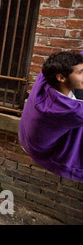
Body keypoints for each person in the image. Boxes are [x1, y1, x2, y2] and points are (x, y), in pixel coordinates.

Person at [18, 51, 83, 181]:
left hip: (25, 135)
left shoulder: (46, 75)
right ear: (61, 78)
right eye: (80, 73)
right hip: (42, 150)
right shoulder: (72, 112)